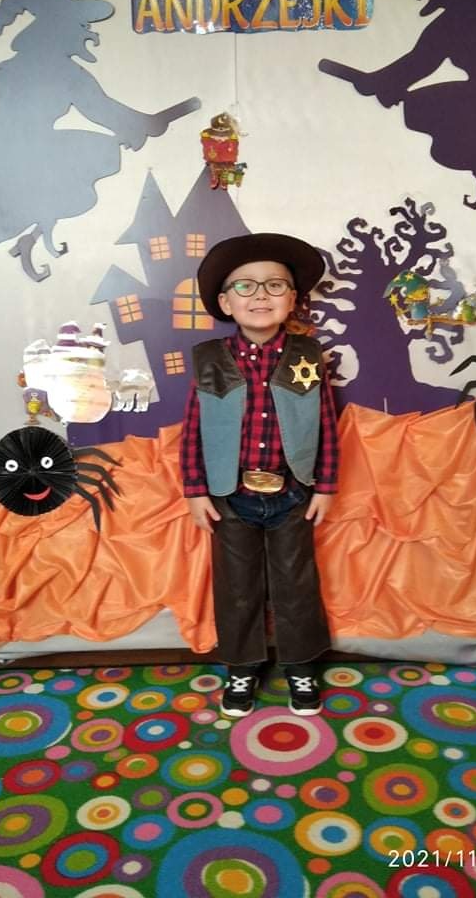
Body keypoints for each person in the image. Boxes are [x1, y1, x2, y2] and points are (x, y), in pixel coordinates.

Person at [180, 232, 339, 717]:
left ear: (293, 299)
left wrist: (326, 486)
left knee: (296, 584)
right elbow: (193, 430)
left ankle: (301, 666)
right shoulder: (210, 360)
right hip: (230, 496)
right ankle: (242, 666)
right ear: (226, 302)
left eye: (275, 285)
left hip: (293, 495)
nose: (261, 295)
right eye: (245, 286)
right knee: (237, 587)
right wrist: (195, 491)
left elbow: (327, 425)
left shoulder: (308, 356)